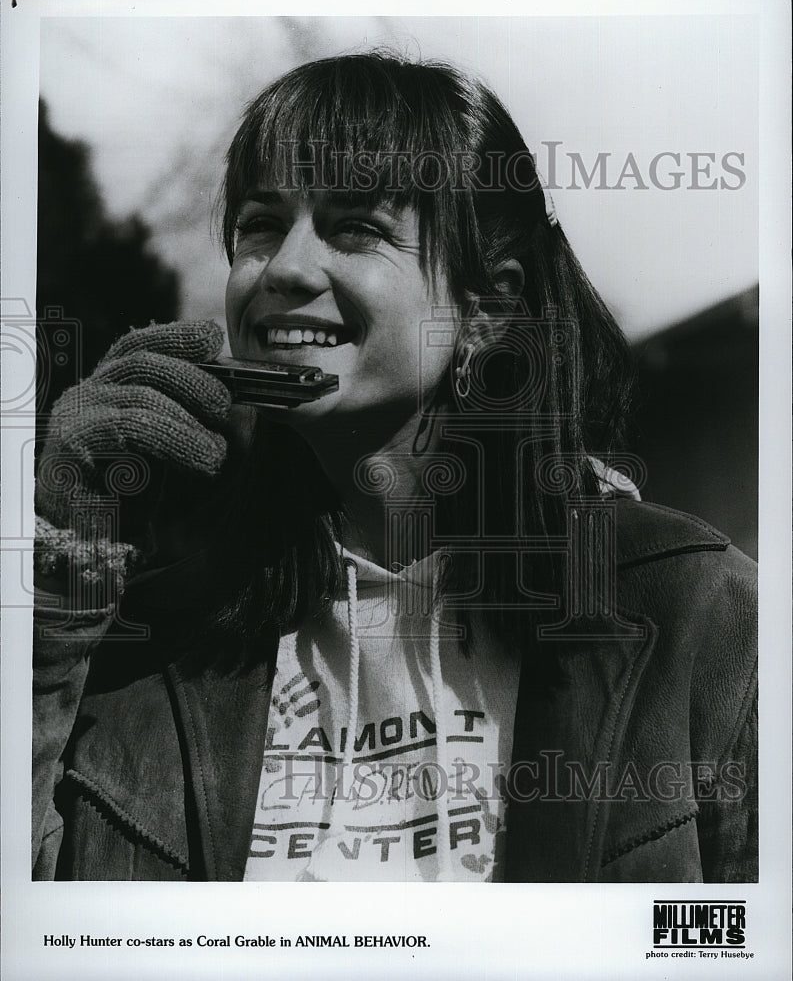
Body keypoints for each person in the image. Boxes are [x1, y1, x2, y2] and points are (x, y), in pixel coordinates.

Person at [32, 51, 757, 883]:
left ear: (487, 307)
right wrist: (62, 568)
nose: (287, 268)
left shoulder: (700, 615)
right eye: (260, 225)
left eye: (356, 228)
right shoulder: (159, 640)